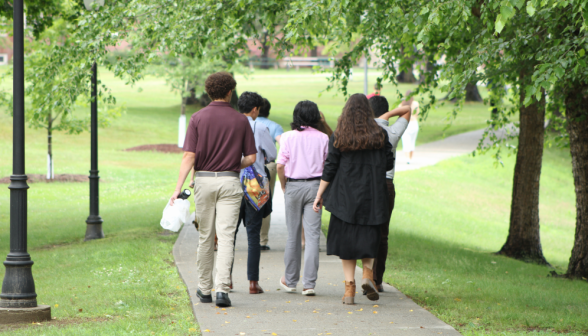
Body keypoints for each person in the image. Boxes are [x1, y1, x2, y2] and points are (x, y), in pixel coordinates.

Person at [170, 72, 256, 308]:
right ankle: (222, 290)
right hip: (229, 181)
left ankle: (204, 288)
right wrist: (231, 165)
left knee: (206, 236)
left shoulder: (197, 118)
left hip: (204, 182)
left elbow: (189, 155)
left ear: (209, 92)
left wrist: (178, 188)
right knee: (227, 237)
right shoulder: (241, 120)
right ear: (230, 92)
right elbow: (251, 157)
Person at [313, 93, 395, 305]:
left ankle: (349, 290)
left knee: (346, 243)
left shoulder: (340, 135)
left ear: (346, 111)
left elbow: (330, 167)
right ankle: (367, 274)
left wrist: (319, 194)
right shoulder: (380, 134)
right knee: (370, 237)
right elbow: (388, 163)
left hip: (344, 198)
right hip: (373, 196)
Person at [277, 100, 329, 296]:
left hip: (293, 185)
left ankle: (290, 281)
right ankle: (309, 284)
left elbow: (280, 165)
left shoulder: (288, 137)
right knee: (313, 237)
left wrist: (283, 185)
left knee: (293, 236)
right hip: (316, 187)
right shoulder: (323, 138)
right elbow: (327, 168)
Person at [233, 91, 277, 295]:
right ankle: (253, 283)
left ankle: (227, 281)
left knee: (228, 234)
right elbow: (273, 154)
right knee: (253, 235)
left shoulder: (229, 123)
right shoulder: (259, 126)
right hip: (254, 184)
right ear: (255, 109)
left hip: (232, 180)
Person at [369, 95, 411, 294]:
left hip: (366, 184)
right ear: (385, 111)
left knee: (365, 229)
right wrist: (390, 114)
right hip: (386, 184)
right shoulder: (392, 131)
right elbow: (407, 110)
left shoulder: (364, 129)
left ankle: (365, 276)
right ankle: (376, 280)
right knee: (382, 234)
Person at [256, 98, 284, 250]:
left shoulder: (247, 123)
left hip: (247, 167)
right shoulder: (274, 126)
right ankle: (262, 240)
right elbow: (282, 145)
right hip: (268, 166)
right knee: (265, 201)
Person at [400, 91, 420, 164]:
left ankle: (407, 158)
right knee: (412, 141)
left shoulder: (402, 104)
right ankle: (410, 158)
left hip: (406, 123)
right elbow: (417, 113)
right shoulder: (415, 103)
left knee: (405, 141)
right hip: (414, 123)